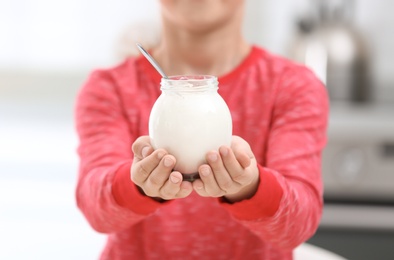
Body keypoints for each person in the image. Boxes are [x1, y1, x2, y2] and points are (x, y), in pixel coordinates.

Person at [75, 0, 329, 259]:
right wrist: (138, 183)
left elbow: (299, 224)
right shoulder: (109, 88)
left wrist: (249, 187)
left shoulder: (293, 87)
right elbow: (96, 209)